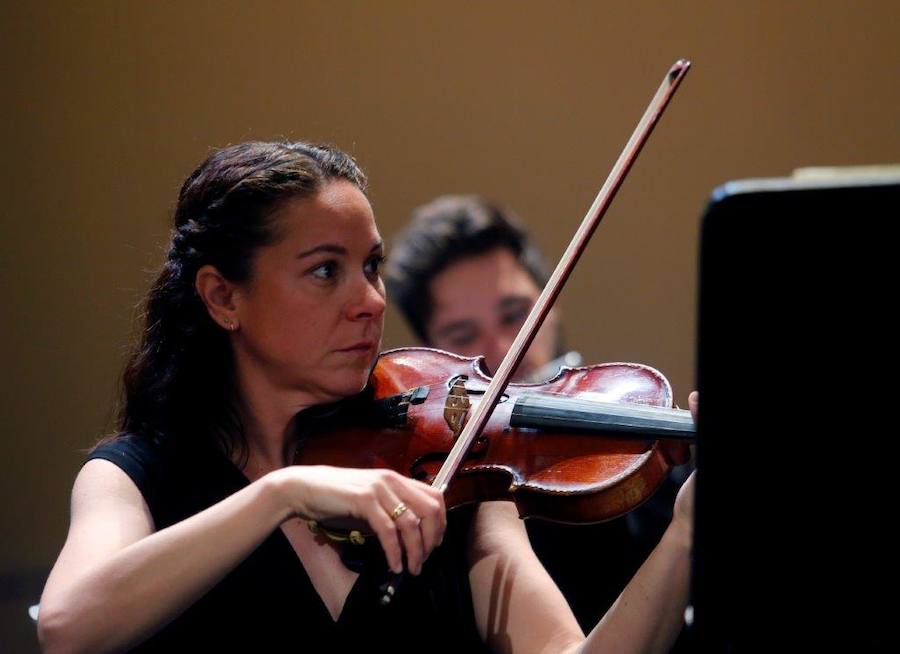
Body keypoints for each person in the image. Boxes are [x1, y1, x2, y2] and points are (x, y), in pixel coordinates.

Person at [38, 141, 696, 653]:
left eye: (371, 267)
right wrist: (283, 492)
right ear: (222, 297)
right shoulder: (136, 477)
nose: (370, 302)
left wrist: (686, 536)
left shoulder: (448, 475)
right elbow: (68, 628)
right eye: (326, 271)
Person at [385, 195, 694, 631]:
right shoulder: (445, 511)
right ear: (432, 353)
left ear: (551, 303)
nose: (503, 348)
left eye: (515, 315)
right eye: (463, 334)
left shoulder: (649, 456)